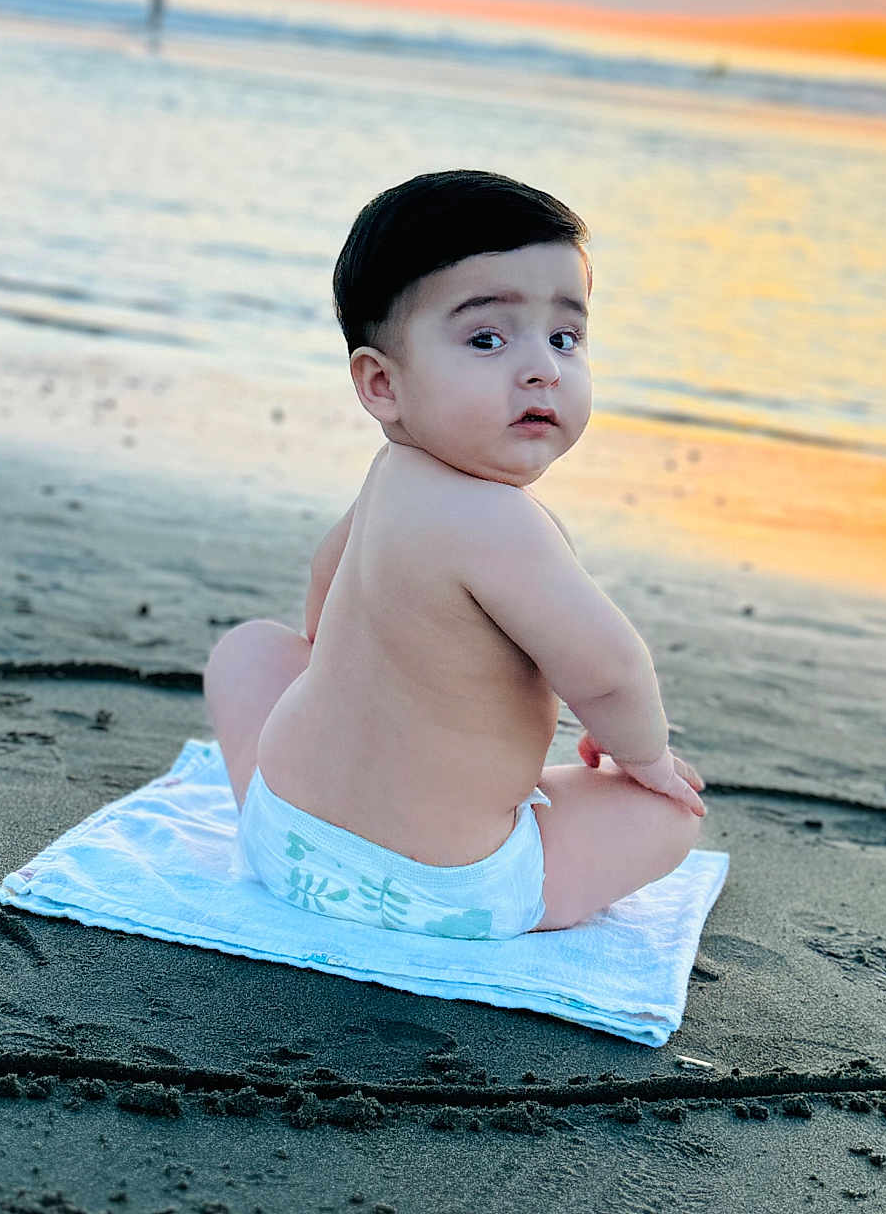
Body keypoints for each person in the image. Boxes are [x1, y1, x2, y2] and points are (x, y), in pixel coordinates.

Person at [203, 170, 705, 939]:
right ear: (381, 382)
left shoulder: (391, 475)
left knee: (250, 653)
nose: (542, 367)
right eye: (487, 339)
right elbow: (609, 669)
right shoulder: (504, 524)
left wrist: (351, 681)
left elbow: (325, 585)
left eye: (565, 338)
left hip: (286, 843)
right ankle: (552, 823)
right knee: (665, 817)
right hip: (446, 891)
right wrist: (646, 758)